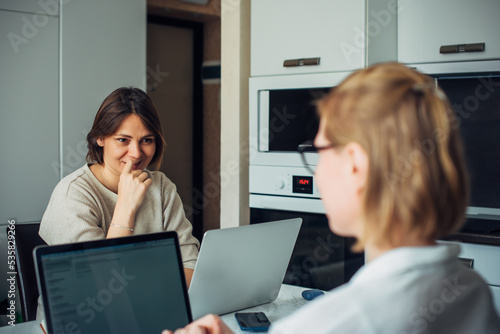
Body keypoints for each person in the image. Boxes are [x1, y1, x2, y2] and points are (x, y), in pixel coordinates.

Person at [163, 63, 500, 333]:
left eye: (320, 150)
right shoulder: (471, 288)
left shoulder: (338, 321)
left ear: (355, 164)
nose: (317, 171)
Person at [38, 87, 199, 317]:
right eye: (123, 139)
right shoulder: (72, 194)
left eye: (146, 140)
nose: (136, 153)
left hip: (148, 312)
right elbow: (97, 288)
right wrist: (125, 206)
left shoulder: (162, 187)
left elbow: (190, 267)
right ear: (100, 138)